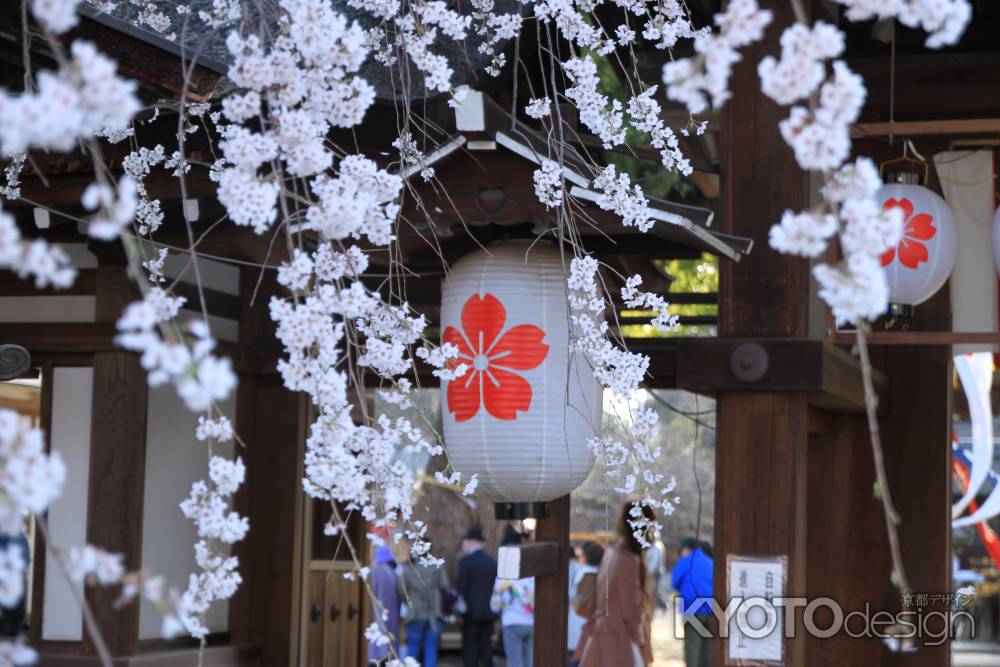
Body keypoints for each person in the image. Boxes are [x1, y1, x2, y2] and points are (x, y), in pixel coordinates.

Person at [573, 502, 654, 667]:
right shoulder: (627, 559)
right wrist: (641, 642)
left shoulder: (613, 553)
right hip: (618, 638)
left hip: (606, 633)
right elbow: (630, 609)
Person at [399, 545, 449, 667]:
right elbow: (444, 586)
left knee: (413, 648)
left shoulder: (408, 568)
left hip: (415, 613)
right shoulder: (437, 567)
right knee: (430, 648)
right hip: (434, 613)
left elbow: (402, 591)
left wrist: (409, 602)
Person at [491, 525, 534, 667]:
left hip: (511, 622)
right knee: (529, 661)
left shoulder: (503, 576)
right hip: (530, 622)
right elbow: (534, 599)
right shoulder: (530, 573)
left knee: (515, 662)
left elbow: (495, 605)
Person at [456, 525, 497, 667]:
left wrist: (459, 612)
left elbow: (461, 588)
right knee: (486, 648)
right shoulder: (492, 562)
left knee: (470, 649)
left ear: (469, 542)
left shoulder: (465, 562)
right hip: (488, 612)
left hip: (470, 613)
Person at [671, 536, 715, 667]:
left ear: (686, 549)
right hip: (713, 608)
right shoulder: (710, 561)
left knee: (692, 648)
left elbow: (674, 582)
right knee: (707, 649)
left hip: (692, 607)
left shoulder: (685, 561)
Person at [568, 540, 604, 667]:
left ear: (584, 557)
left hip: (575, 632)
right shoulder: (605, 577)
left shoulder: (578, 573)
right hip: (596, 632)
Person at [367, 545, 401, 665]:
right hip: (392, 618)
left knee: (376, 649)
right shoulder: (395, 575)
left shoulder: (374, 573)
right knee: (390, 648)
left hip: (376, 616)